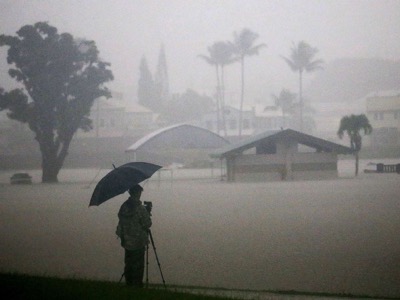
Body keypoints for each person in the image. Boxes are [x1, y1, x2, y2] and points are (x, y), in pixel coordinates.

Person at [116, 184, 152, 287]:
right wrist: (147, 212)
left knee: (129, 264)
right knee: (139, 265)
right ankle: (137, 285)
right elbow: (147, 224)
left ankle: (129, 283)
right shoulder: (139, 208)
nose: (140, 195)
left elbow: (121, 221)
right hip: (138, 241)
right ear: (136, 193)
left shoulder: (123, 206)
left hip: (126, 241)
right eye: (140, 192)